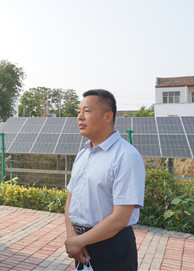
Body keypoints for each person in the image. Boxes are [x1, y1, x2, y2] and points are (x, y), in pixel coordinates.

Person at [64, 89, 145, 271]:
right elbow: (71, 197)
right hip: (81, 245)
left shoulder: (126, 156)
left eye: (87, 111)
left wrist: (79, 241)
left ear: (108, 116)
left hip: (111, 246)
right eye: (78, 112)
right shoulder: (83, 154)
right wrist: (73, 237)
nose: (80, 117)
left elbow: (120, 218)